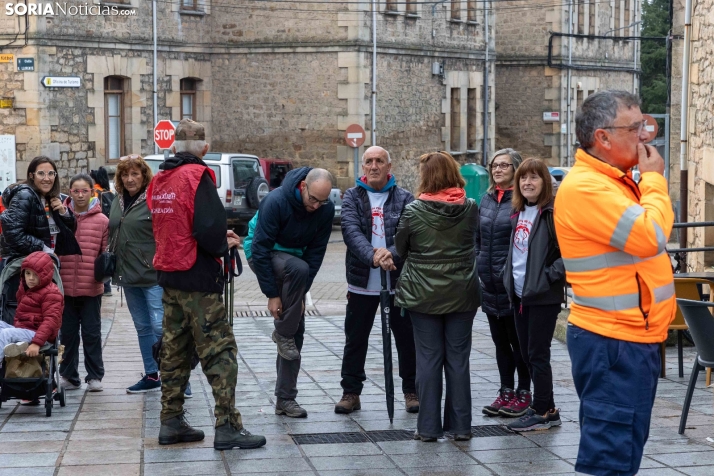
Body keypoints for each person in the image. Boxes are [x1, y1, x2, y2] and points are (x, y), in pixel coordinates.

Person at [555, 90, 674, 475]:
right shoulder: (588, 187)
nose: (645, 136)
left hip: (628, 339)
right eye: (635, 127)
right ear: (602, 138)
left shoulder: (614, 182)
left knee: (622, 453)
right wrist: (655, 182)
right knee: (610, 459)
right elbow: (650, 235)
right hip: (613, 342)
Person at [148, 119, 265, 450]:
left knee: (174, 351)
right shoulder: (197, 176)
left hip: (169, 276)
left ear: (172, 148)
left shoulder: (160, 179)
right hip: (199, 277)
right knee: (219, 351)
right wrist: (222, 243)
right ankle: (227, 425)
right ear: (203, 149)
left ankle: (170, 422)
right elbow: (208, 227)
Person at [395, 151, 480, 442]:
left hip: (423, 294)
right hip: (462, 292)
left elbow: (401, 247)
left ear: (426, 177)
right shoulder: (471, 208)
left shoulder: (414, 210)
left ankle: (429, 428)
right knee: (458, 360)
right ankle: (460, 427)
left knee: (429, 359)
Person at [335, 146, 418, 414]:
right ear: (363, 168)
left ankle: (411, 390)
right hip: (361, 283)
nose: (373, 166)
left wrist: (390, 253)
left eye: (379, 161)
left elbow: (408, 234)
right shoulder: (352, 197)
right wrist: (374, 256)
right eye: (369, 161)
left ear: (388, 167)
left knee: (406, 340)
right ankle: (351, 392)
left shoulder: (405, 198)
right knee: (355, 338)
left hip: (397, 285)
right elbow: (350, 231)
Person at [251, 166, 335, 418]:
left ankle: (285, 400)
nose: (317, 206)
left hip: (297, 269)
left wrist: (300, 298)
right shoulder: (276, 201)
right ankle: (282, 334)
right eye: (313, 199)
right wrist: (272, 294)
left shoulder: (325, 210)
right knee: (299, 267)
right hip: (264, 256)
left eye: (323, 200)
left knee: (294, 330)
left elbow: (317, 252)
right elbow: (259, 248)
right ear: (302, 187)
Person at [502, 158, 565, 432]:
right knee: (527, 354)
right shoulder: (518, 211)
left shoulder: (552, 213)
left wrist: (546, 277)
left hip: (542, 296)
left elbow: (571, 254)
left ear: (545, 183)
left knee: (538, 354)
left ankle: (541, 410)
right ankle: (547, 408)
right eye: (523, 178)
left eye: (534, 178)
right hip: (519, 296)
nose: (528, 183)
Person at [476, 148, 532, 418]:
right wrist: (478, 263)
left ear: (516, 169)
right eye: (494, 165)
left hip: (512, 285)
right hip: (489, 284)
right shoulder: (486, 199)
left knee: (518, 342)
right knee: (500, 343)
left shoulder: (521, 202)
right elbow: (478, 237)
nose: (498, 170)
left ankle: (524, 392)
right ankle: (505, 391)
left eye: (504, 166)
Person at [109, 155, 167, 394]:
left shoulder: (154, 198)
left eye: (135, 174)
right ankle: (152, 376)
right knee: (142, 327)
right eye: (125, 174)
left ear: (144, 175)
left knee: (160, 327)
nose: (130, 179)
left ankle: (177, 377)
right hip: (128, 275)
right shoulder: (117, 200)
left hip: (152, 274)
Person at [0, 156, 80, 324]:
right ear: (31, 175)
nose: (47, 178)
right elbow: (13, 232)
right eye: (41, 173)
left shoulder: (50, 198)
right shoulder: (25, 195)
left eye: (51, 173)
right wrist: (44, 250)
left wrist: (64, 213)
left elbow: (67, 232)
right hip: (23, 270)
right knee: (25, 317)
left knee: (44, 315)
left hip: (43, 267)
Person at [58, 174, 108, 392]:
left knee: (91, 333)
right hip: (65, 287)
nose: (80, 194)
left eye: (84, 191)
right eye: (75, 190)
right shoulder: (60, 217)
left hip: (90, 286)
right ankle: (69, 375)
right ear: (69, 191)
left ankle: (95, 375)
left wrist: (102, 277)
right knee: (67, 334)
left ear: (92, 192)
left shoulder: (102, 221)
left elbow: (105, 253)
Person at [0, 252, 63, 363]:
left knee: (6, 334)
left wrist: (36, 343)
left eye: (35, 275)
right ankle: (19, 345)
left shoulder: (51, 293)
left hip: (40, 335)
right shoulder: (24, 288)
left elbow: (51, 321)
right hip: (25, 330)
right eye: (28, 273)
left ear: (44, 275)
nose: (31, 278)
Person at [91, 167, 115, 296]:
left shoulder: (95, 192)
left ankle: (103, 285)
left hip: (97, 228)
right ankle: (107, 285)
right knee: (106, 254)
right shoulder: (110, 192)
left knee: (98, 256)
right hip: (110, 228)